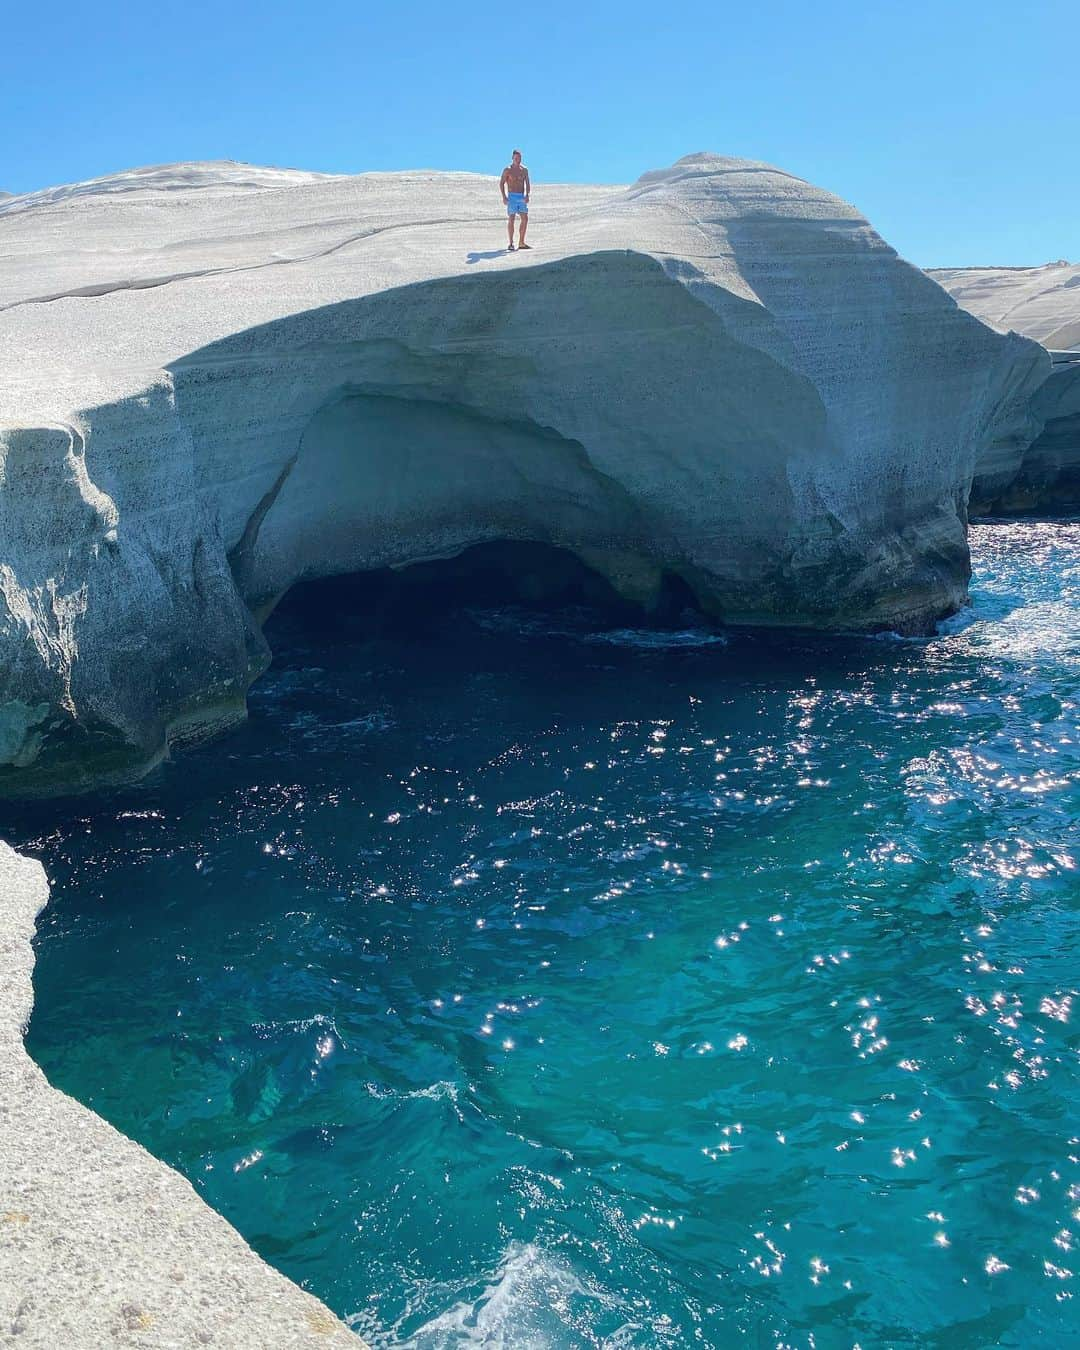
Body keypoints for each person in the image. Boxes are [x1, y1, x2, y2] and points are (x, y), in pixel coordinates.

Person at [500, 150, 531, 251]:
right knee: (511, 218)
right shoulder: (507, 170)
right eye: (516, 158)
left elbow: (527, 183)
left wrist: (527, 195)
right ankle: (511, 243)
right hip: (512, 196)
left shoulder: (524, 170)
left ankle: (521, 242)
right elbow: (501, 183)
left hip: (521, 196)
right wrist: (504, 197)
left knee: (525, 218)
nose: (518, 160)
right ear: (512, 158)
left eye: (520, 158)